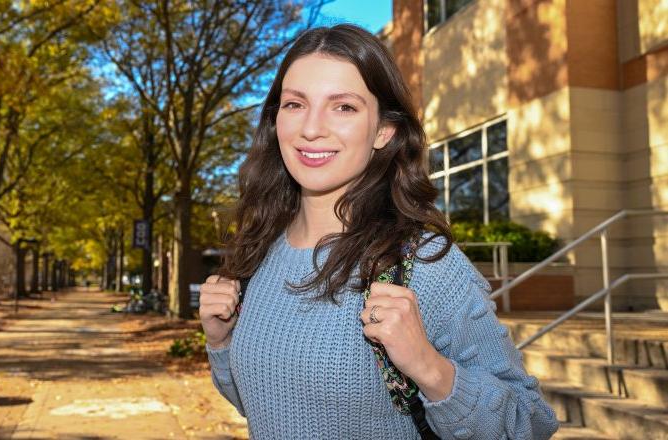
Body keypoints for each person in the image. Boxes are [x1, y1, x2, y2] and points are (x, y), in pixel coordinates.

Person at [198, 24, 558, 440]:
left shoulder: (422, 262)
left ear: (384, 130)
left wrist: (429, 367)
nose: (311, 128)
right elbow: (262, 401)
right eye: (295, 104)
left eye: (344, 107)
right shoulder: (258, 253)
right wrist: (221, 343)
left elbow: (530, 423)